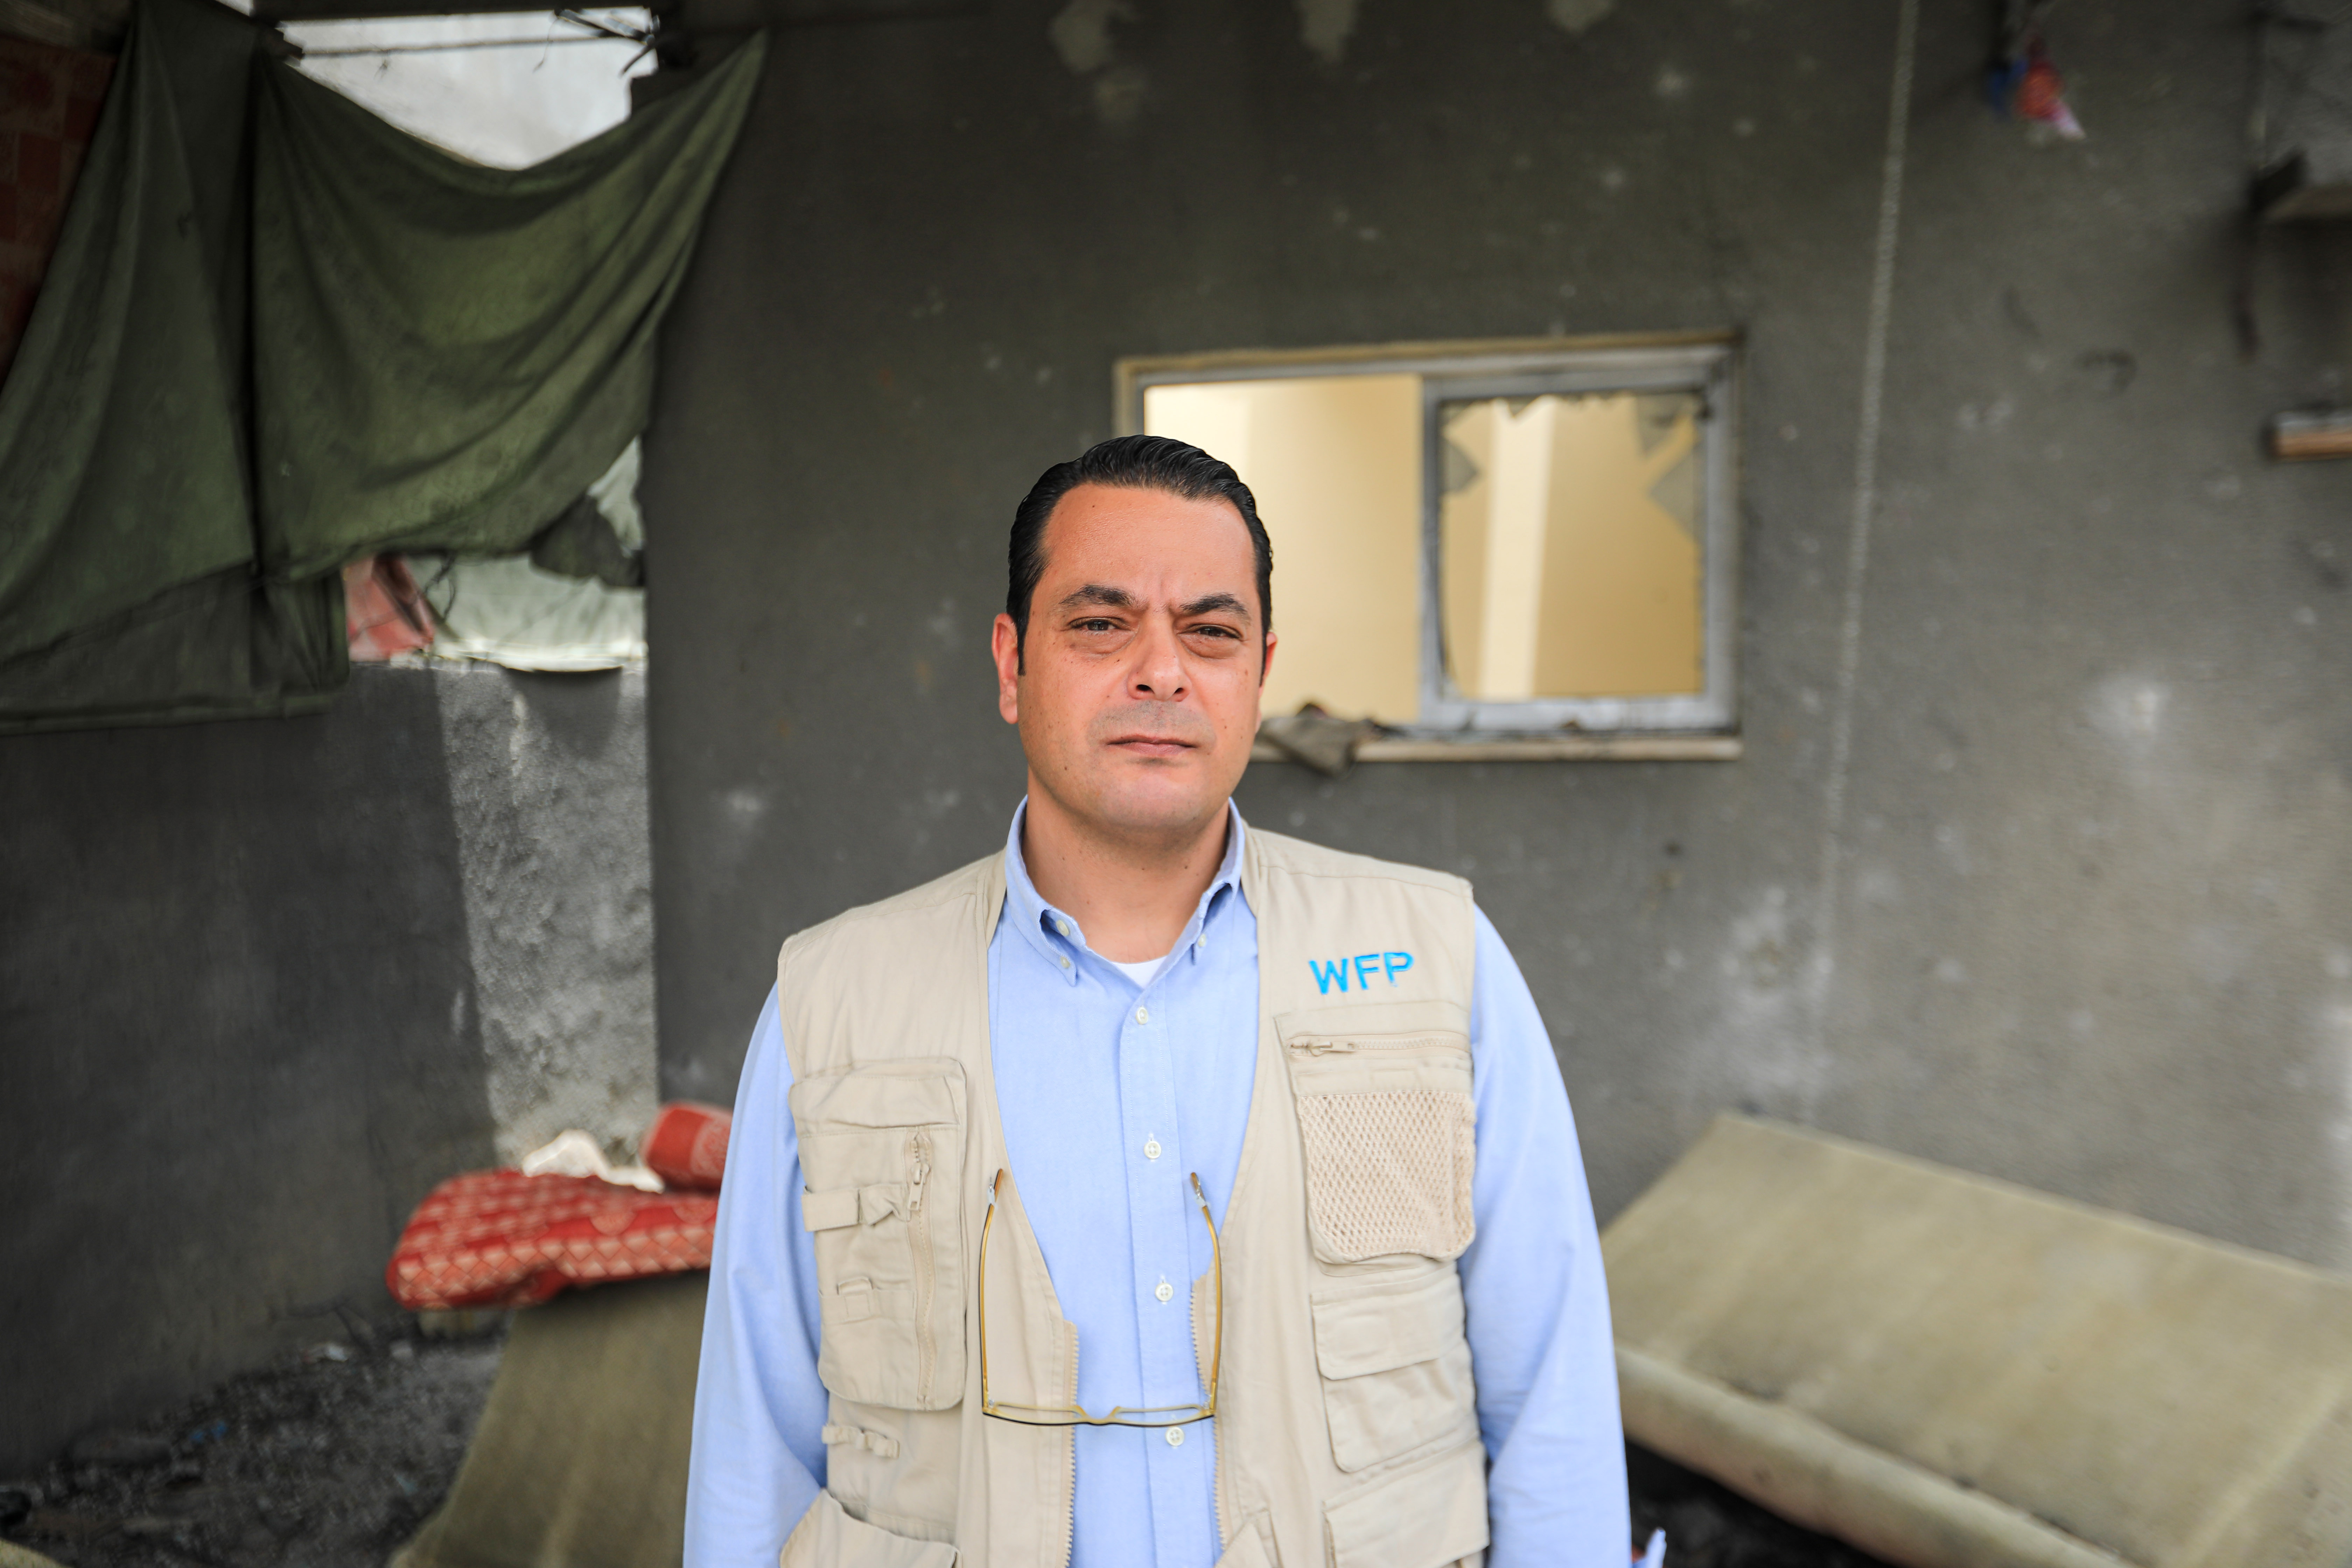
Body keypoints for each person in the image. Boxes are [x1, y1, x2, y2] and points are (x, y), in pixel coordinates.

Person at [685, 435, 1628, 1568]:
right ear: (1009, 664)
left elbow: (1552, 1401)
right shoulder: (833, 1003)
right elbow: (755, 1451)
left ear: (1260, 673)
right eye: (1100, 623)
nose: (1162, 671)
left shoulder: (1438, 963)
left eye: (1212, 633)